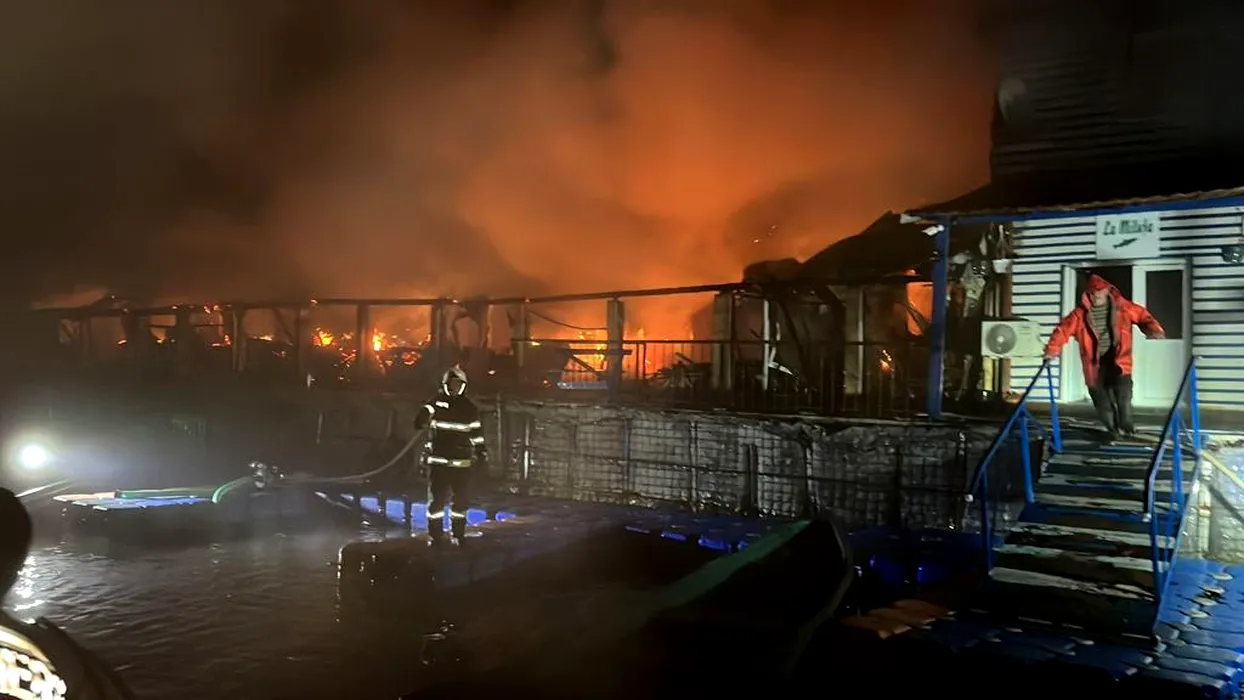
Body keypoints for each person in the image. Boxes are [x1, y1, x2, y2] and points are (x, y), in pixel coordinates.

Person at [1044, 273, 1165, 441]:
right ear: (1088, 294)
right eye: (1093, 293)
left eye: (1100, 292)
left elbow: (1143, 316)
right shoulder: (1079, 315)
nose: (1096, 296)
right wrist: (1052, 350)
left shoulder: (1123, 308)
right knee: (1102, 402)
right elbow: (1062, 331)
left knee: (1123, 396)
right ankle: (1113, 431)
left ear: (1108, 290)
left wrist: (1153, 329)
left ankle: (1127, 428)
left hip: (1119, 361)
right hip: (1094, 365)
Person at [414, 367, 486, 546]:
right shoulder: (436, 402)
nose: (455, 388)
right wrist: (421, 417)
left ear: (463, 386)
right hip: (439, 462)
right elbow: (425, 412)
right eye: (452, 384)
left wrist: (481, 452)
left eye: (458, 384)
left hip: (461, 464)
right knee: (436, 502)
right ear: (445, 385)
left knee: (460, 502)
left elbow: (476, 433)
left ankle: (458, 534)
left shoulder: (469, 408)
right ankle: (435, 536)